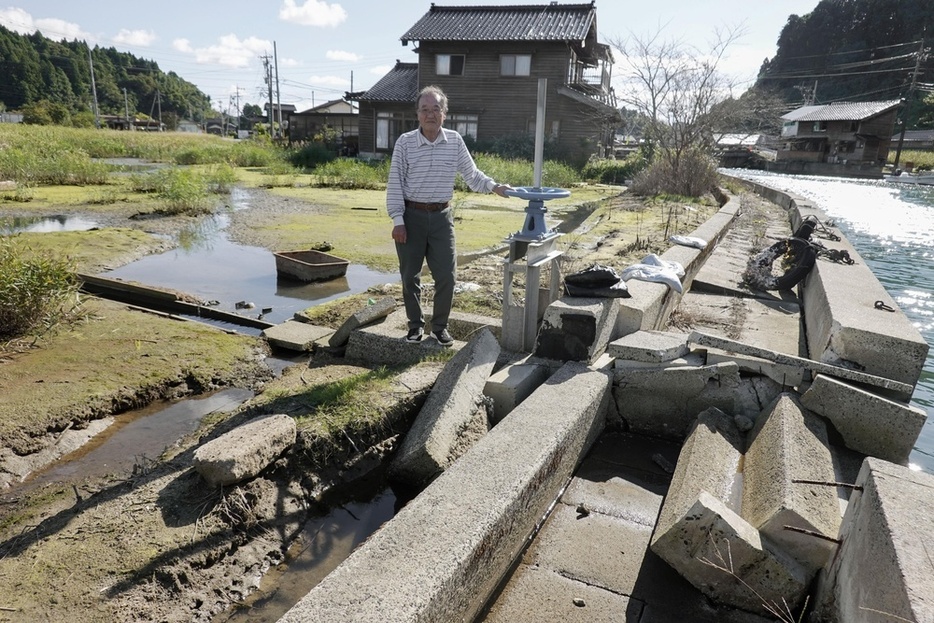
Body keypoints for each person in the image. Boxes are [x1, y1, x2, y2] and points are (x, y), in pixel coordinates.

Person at [386, 85, 512, 346]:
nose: (430, 114)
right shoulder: (405, 142)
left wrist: (494, 187)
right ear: (417, 114)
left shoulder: (454, 140)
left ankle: (440, 327)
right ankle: (415, 326)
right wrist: (398, 220)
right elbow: (395, 183)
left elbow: (472, 174)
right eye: (424, 110)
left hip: (442, 217)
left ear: (444, 113)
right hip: (411, 215)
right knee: (410, 275)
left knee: (447, 275)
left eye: (435, 109)